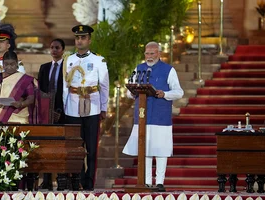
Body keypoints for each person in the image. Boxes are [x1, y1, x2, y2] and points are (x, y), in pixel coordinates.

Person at [122, 41, 184, 192]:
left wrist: (165, 94)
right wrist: (131, 92)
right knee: (146, 148)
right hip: (143, 116)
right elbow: (129, 90)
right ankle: (147, 181)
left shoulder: (168, 70)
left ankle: (160, 182)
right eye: (147, 53)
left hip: (160, 116)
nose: (149, 56)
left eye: (152, 53)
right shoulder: (139, 69)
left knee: (161, 149)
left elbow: (179, 92)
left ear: (159, 54)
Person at [63, 25, 109, 191]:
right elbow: (64, 85)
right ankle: (78, 180)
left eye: (83, 37)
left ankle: (89, 182)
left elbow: (104, 86)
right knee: (75, 146)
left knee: (91, 146)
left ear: (89, 40)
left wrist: (104, 107)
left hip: (92, 106)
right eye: (77, 38)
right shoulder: (68, 59)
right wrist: (64, 106)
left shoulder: (98, 60)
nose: (80, 41)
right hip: (73, 106)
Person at [38, 38, 66, 190]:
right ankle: (47, 180)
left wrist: (59, 111)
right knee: (46, 145)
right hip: (46, 112)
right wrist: (46, 111)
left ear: (63, 50)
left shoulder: (67, 68)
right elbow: (40, 91)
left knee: (60, 146)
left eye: (57, 47)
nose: (54, 50)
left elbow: (66, 92)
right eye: (52, 47)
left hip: (63, 112)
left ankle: (62, 179)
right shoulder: (44, 67)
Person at [0, 51, 35, 124]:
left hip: (19, 118)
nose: (9, 67)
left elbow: (31, 98)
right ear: (3, 64)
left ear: (17, 64)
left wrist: (21, 104)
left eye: (12, 64)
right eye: (6, 64)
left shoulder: (24, 79)